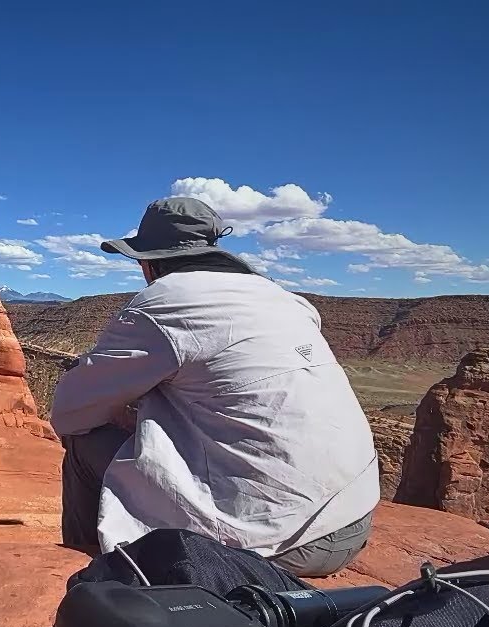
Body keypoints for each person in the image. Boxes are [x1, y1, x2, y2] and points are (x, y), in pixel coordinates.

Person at [50, 197, 379, 577]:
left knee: (84, 442)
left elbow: (70, 412)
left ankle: (99, 577)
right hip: (352, 519)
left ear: (149, 261)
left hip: (279, 542)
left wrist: (127, 414)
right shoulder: (285, 298)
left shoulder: (163, 302)